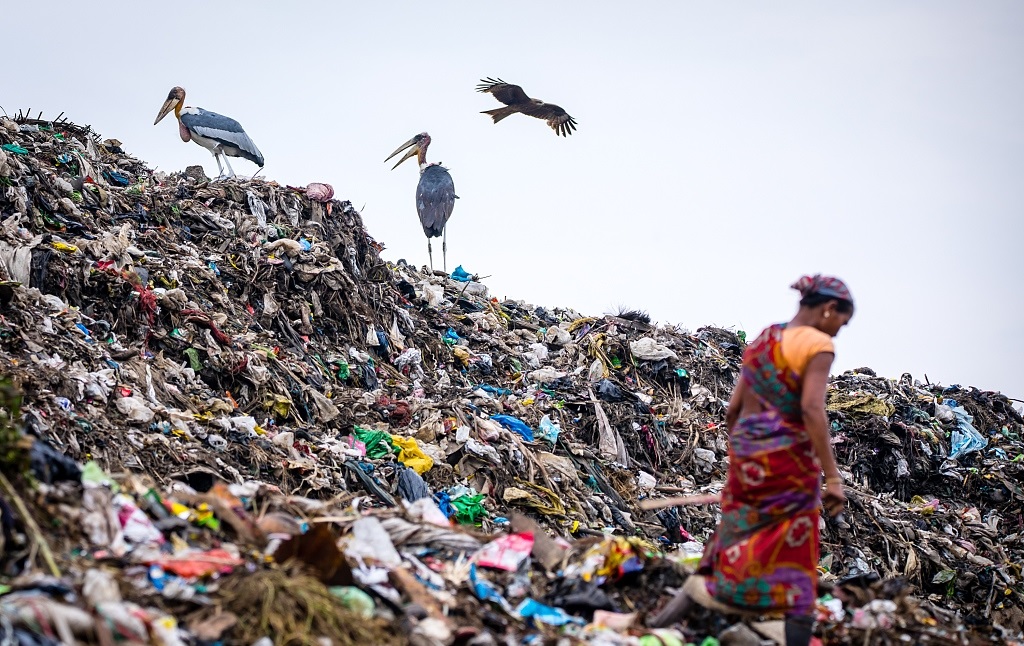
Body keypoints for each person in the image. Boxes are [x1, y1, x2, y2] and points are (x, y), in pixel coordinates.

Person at [649, 275, 854, 646]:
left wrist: (745, 455)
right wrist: (833, 476)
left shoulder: (765, 338)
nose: (839, 331)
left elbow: (733, 411)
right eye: (842, 321)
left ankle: (654, 626)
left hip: (749, 459)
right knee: (797, 562)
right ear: (828, 309)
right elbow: (811, 408)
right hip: (788, 467)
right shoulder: (817, 344)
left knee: (727, 542)